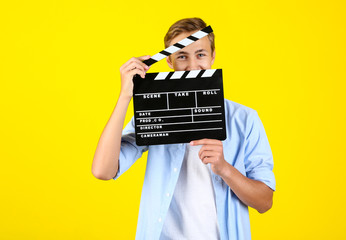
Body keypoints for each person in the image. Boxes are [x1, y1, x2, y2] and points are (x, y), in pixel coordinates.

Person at [92, 17, 275, 240]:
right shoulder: (155, 113)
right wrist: (125, 96)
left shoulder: (244, 119)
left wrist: (224, 168)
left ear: (213, 56)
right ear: (170, 62)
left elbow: (265, 202)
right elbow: (103, 170)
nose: (192, 66)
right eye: (182, 56)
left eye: (200, 54)